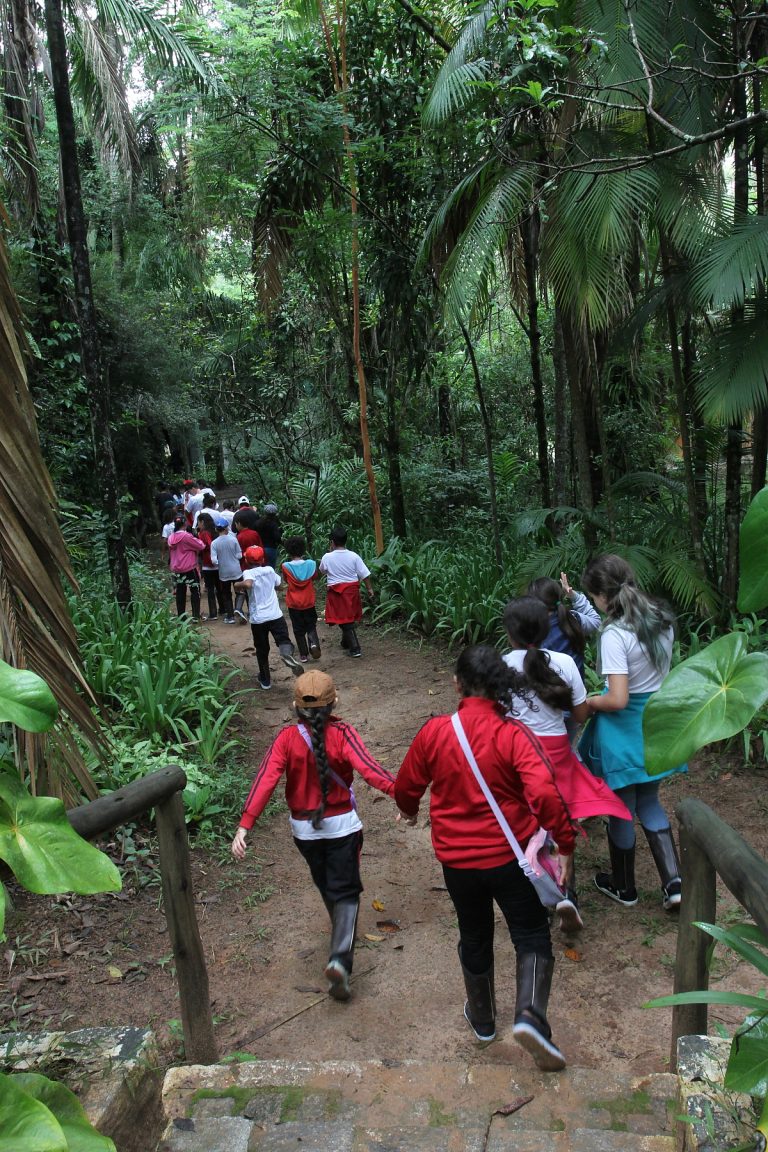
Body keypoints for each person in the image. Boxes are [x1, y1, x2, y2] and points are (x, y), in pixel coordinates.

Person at [395, 644, 576, 1071]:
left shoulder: (435, 732)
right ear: (500, 685)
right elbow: (546, 793)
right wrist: (564, 843)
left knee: (473, 935)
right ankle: (530, 1015)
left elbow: (407, 785)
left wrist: (409, 808)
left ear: (457, 683)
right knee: (530, 934)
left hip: (457, 862)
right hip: (511, 858)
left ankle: (482, 1019)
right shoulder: (513, 734)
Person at [231, 670, 397, 1001]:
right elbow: (368, 768)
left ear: (295, 706)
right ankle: (339, 956)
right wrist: (401, 794)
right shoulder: (344, 733)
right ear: (334, 702)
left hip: (304, 831)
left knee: (326, 883)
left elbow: (265, 779)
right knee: (347, 891)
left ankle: (340, 936)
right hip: (342, 827)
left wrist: (245, 825)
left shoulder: (285, 739)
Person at [502, 597, 632, 923]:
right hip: (556, 752)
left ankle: (540, 894)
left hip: (515, 753)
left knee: (527, 822)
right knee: (560, 816)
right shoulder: (563, 662)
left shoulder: (499, 665)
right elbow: (577, 712)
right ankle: (567, 893)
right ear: (547, 628)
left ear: (509, 633)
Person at [578, 554, 686, 911]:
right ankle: (674, 884)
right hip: (655, 724)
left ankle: (624, 888)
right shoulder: (662, 620)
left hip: (623, 730)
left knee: (622, 808)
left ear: (602, 595)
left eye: (593, 598)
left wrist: (592, 702)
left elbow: (618, 698)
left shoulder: (615, 634)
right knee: (650, 801)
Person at [234, 545, 303, 688]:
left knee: (262, 648)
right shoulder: (270, 570)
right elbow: (279, 585)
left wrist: (237, 584)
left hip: (259, 619)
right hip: (275, 615)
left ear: (246, 559)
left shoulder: (248, 572)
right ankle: (286, 654)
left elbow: (247, 584)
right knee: (283, 640)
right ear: (263, 559)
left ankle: (265, 679)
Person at [527, 573, 600, 678]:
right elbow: (595, 621)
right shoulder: (572, 619)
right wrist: (573, 596)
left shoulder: (534, 633)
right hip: (578, 692)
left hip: (552, 693)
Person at [320, 526, 374, 658]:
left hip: (336, 592)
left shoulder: (327, 557)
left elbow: (322, 570)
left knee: (344, 620)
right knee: (347, 618)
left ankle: (355, 648)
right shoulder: (354, 556)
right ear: (346, 541)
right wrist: (369, 588)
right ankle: (346, 642)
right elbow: (364, 574)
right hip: (352, 591)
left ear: (331, 542)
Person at [282, 535, 321, 662]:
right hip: (309, 601)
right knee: (311, 625)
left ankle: (303, 654)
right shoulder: (311, 564)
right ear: (303, 549)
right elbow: (315, 576)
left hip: (294, 603)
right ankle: (314, 644)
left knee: (298, 629)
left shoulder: (286, 566)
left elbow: (286, 580)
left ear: (288, 550)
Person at [167, 516, 205, 620]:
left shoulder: (171, 537)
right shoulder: (186, 536)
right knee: (195, 590)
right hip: (189, 567)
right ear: (185, 524)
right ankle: (196, 616)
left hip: (176, 569)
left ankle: (181, 617)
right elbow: (201, 545)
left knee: (180, 592)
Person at [231, 510, 263, 623]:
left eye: (235, 523)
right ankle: (252, 610)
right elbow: (260, 547)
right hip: (257, 563)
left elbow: (238, 553)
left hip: (245, 565)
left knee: (246, 588)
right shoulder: (255, 533)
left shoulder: (239, 537)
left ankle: (244, 609)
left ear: (239, 523)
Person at [210, 520, 241, 623]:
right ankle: (238, 609)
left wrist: (221, 563)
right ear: (227, 528)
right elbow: (239, 555)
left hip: (224, 572)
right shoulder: (233, 539)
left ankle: (230, 616)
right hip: (236, 570)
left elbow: (214, 560)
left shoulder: (214, 543)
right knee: (239, 592)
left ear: (216, 529)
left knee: (226, 594)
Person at [197, 512, 223, 621]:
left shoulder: (204, 533)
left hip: (208, 565)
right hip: (217, 564)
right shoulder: (215, 531)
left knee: (211, 589)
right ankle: (223, 609)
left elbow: (207, 544)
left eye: (198, 522)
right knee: (219, 587)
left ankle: (213, 613)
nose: (198, 525)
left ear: (202, 522)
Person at [255, 502, 283, 568]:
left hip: (260, 548)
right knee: (271, 569)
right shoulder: (275, 524)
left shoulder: (258, 522)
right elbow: (277, 537)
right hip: (271, 548)